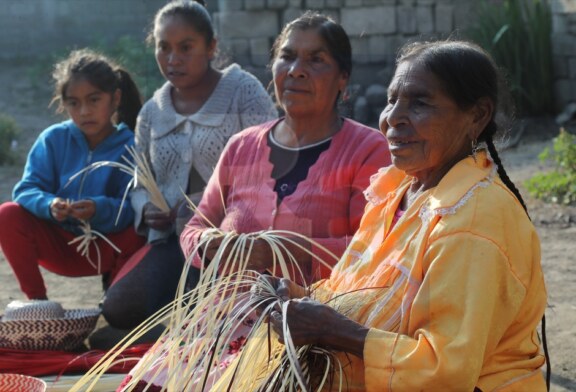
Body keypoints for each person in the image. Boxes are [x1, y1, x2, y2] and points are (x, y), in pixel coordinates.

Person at [214, 40, 549, 391]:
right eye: (392, 101)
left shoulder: (474, 219)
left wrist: (333, 330)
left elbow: (446, 370)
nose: (392, 119)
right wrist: (303, 299)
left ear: (477, 115)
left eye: (419, 103)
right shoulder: (399, 190)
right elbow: (357, 287)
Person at [116, 11, 391, 391]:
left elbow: (378, 250)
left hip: (315, 325)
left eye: (316, 60)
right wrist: (209, 247)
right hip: (226, 316)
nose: (296, 70)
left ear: (343, 79)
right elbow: (196, 223)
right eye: (288, 56)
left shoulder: (367, 150)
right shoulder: (242, 147)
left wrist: (287, 252)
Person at [100, 0, 278, 332]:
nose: (172, 59)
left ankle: (201, 320)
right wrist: (148, 209)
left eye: (186, 47)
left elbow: (270, 164)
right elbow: (141, 181)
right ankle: (183, 325)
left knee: (212, 317)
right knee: (118, 308)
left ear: (211, 47)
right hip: (175, 242)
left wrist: (203, 204)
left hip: (234, 240)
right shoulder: (152, 112)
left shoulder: (243, 92)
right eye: (163, 47)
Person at [0, 49, 145, 302]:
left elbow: (133, 206)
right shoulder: (53, 139)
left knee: (141, 228)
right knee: (7, 215)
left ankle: (115, 301)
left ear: (115, 99)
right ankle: (38, 302)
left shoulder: (132, 146)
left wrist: (97, 209)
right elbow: (27, 189)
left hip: (106, 246)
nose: (84, 111)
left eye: (94, 100)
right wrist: (50, 205)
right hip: (59, 243)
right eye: (73, 103)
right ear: (63, 103)